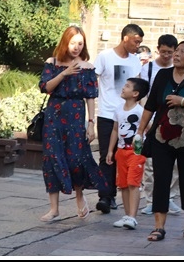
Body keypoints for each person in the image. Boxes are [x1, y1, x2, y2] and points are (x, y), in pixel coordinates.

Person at [137, 40, 184, 242]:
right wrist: (140, 130)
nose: (177, 54)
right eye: (176, 50)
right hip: (162, 137)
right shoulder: (163, 75)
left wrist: (183, 101)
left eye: (182, 51)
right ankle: (159, 227)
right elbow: (151, 105)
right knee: (160, 180)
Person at [38, 25, 107, 222]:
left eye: (80, 43)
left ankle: (79, 196)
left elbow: (91, 97)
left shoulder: (87, 67)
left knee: (76, 159)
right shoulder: (52, 62)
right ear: (65, 42)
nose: (76, 47)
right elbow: (45, 87)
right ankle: (54, 209)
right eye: (73, 43)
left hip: (76, 117)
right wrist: (64, 73)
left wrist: (91, 123)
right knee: (52, 159)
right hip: (54, 116)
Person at [94, 23, 145, 213]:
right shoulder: (105, 56)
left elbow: (139, 88)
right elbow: (93, 80)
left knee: (128, 155)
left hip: (129, 116)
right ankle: (106, 196)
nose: (137, 46)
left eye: (140, 42)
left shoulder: (135, 60)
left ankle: (125, 193)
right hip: (108, 113)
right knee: (107, 156)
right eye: (136, 41)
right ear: (126, 38)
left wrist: (143, 113)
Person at [139, 34, 182, 215]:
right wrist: (146, 121)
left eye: (170, 53)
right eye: (163, 52)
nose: (166, 56)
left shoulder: (179, 70)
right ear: (158, 49)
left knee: (174, 164)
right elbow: (142, 96)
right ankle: (150, 200)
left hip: (173, 121)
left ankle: (169, 198)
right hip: (153, 121)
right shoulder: (147, 69)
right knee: (149, 164)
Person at [106, 77, 150, 230]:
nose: (123, 88)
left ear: (135, 93)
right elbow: (115, 130)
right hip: (121, 151)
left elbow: (148, 129)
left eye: (127, 86)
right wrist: (111, 150)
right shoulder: (118, 109)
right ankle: (126, 215)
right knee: (123, 184)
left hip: (136, 152)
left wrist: (144, 146)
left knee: (133, 183)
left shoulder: (140, 111)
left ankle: (132, 217)